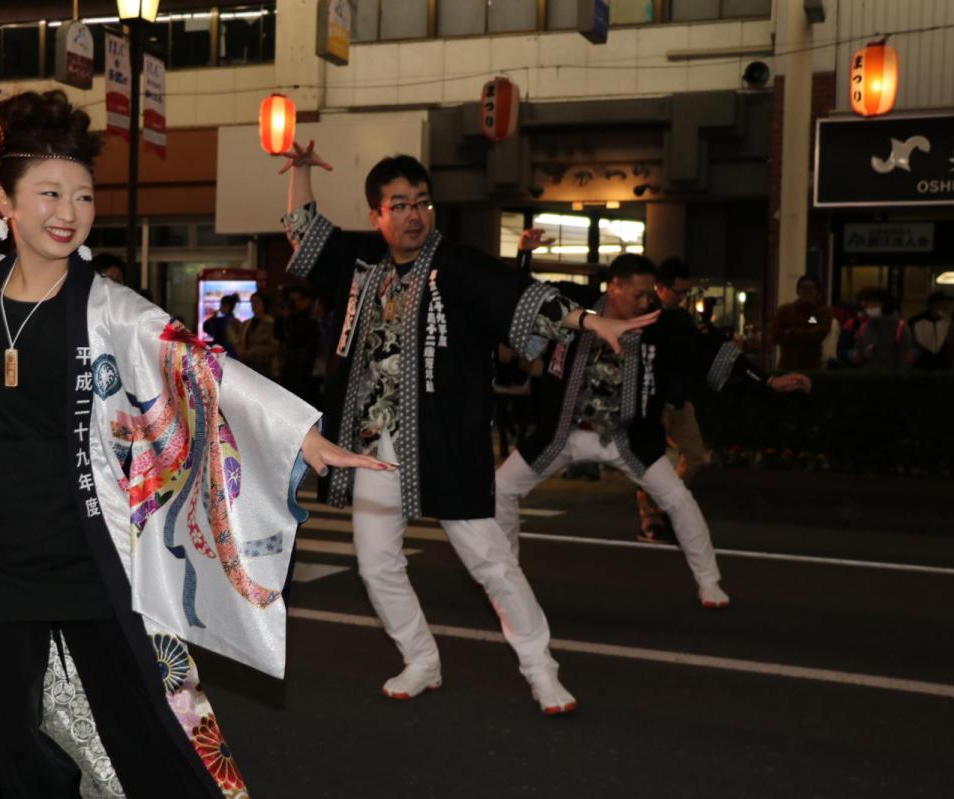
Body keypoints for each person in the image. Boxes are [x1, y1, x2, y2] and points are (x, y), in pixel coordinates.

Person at [0, 91, 387, 799]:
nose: (68, 211)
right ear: (4, 199)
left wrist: (300, 433)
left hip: (86, 548)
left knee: (146, 719)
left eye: (83, 195)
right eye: (49, 192)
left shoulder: (109, 308)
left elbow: (199, 367)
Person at [279, 141, 656, 713]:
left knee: (490, 561)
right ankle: (420, 659)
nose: (413, 215)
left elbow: (522, 300)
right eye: (399, 204)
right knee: (376, 562)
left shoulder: (456, 265)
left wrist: (588, 319)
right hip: (371, 441)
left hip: (442, 440)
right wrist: (303, 170)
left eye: (422, 203)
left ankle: (541, 668)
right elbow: (303, 231)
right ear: (376, 215)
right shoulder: (361, 264)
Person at [495, 255, 812, 610]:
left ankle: (710, 583)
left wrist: (767, 381)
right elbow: (518, 292)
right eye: (640, 294)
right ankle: (508, 581)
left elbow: (712, 353)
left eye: (651, 295)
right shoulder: (575, 305)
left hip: (627, 438)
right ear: (614, 286)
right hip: (562, 434)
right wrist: (523, 254)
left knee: (677, 499)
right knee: (501, 489)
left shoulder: (663, 324)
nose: (649, 301)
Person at [635, 258, 713, 544]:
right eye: (678, 291)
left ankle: (666, 506)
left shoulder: (682, 318)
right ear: (661, 288)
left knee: (694, 457)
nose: (682, 297)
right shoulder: (647, 316)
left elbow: (692, 356)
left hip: (680, 400)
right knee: (651, 461)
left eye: (685, 292)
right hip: (655, 400)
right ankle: (650, 518)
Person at [771, 275, 834, 370]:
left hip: (812, 366)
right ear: (798, 291)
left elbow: (820, 333)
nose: (807, 291)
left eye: (811, 288)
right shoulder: (785, 310)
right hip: (787, 365)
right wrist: (807, 334)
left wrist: (793, 333)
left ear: (817, 291)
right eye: (803, 287)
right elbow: (775, 336)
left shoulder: (823, 312)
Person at [276, 284, 321, 404]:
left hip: (305, 372)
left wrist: (288, 319)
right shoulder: (293, 317)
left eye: (295, 301)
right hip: (290, 369)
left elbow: (294, 340)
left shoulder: (312, 320)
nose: (293, 305)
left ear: (307, 300)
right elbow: (278, 336)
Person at [852, 289, 912, 372]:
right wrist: (862, 355)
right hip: (868, 377)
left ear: (885, 305)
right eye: (867, 305)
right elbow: (857, 355)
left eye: (874, 304)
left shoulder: (900, 327)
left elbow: (905, 358)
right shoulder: (864, 327)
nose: (869, 308)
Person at [234, 290, 278, 377]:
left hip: (264, 367)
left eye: (257, 302)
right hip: (247, 365)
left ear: (265, 304)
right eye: (252, 302)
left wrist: (252, 352)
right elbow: (240, 341)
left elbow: (274, 346)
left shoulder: (271, 323)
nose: (253, 305)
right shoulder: (246, 323)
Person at [908, 291, 951, 370]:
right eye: (943, 304)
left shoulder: (946, 321)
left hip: (942, 363)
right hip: (922, 362)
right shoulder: (916, 321)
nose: (946, 307)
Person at [202, 292, 239, 357]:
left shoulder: (220, 321)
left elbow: (205, 327)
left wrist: (213, 317)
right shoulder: (237, 321)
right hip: (234, 354)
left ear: (226, 306)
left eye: (221, 305)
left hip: (221, 354)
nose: (220, 307)